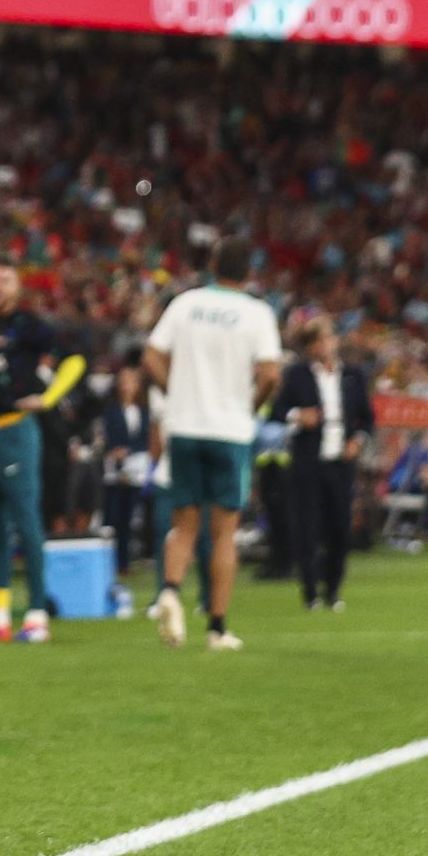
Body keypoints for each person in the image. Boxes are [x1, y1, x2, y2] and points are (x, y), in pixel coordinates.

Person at [143, 238, 284, 652]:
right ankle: (217, 627)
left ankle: (169, 590)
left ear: (213, 265)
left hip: (184, 426)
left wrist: (176, 394)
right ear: (250, 272)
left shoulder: (185, 304)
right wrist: (250, 406)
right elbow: (271, 374)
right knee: (224, 533)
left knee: (183, 524)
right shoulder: (257, 313)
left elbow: (151, 357)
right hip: (229, 430)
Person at [0, 259, 82, 642]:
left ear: (17, 286)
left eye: (5, 280)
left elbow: (73, 361)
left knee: (26, 522)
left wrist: (48, 398)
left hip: (16, 433)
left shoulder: (30, 326)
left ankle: (37, 614)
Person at [274, 317, 373, 612]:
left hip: (340, 463)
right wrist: (298, 416)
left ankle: (333, 588)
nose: (325, 345)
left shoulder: (352, 374)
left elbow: (367, 418)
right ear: (310, 346)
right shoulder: (297, 375)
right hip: (307, 461)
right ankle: (310, 591)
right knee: (307, 527)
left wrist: (358, 440)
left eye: (328, 338)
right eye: (318, 340)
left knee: (339, 527)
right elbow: (278, 410)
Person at [99, 362, 154, 576]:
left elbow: (147, 439)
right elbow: (107, 438)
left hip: (138, 469)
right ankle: (110, 561)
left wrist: (130, 450)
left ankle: (126, 561)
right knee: (113, 516)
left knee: (130, 517)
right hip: (115, 470)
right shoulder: (111, 412)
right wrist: (115, 452)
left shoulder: (145, 412)